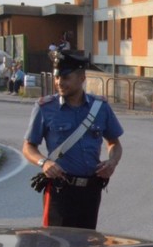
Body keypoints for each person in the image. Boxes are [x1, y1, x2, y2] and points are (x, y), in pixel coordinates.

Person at [22, 51, 124, 229]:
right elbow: (28, 147)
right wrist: (44, 163)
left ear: (81, 78)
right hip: (60, 190)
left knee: (87, 245)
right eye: (57, 77)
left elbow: (114, 143)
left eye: (66, 77)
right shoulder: (44, 108)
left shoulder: (100, 107)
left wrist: (112, 162)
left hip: (91, 190)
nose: (59, 82)